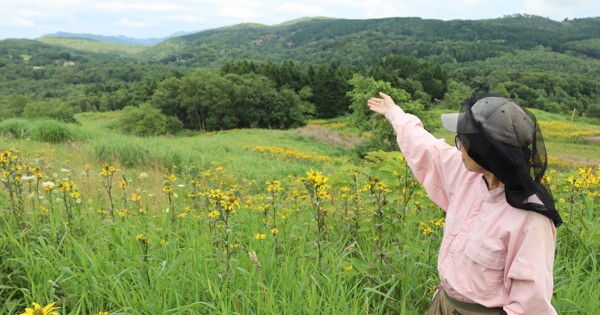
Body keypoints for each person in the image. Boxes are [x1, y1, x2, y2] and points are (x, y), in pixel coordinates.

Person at [367, 92, 562, 315]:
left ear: (486, 152)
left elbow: (531, 304)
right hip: (443, 303)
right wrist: (394, 113)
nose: (458, 147)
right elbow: (426, 147)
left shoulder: (530, 218)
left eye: (463, 141)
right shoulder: (467, 175)